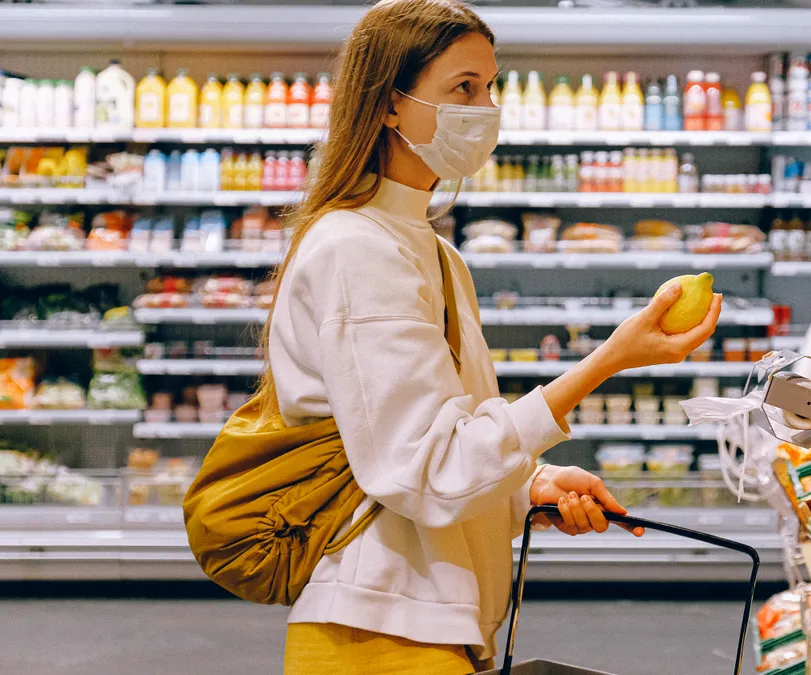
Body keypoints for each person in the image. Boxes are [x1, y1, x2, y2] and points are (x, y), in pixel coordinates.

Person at [262, 0, 722, 672]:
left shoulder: (432, 251)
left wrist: (526, 484)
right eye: (463, 88)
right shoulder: (355, 249)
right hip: (378, 628)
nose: (486, 108)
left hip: (434, 619)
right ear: (390, 105)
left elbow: (448, 435)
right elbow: (427, 468)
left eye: (491, 86)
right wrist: (608, 360)